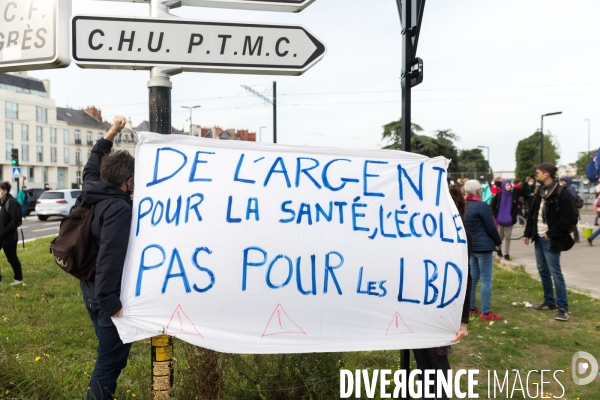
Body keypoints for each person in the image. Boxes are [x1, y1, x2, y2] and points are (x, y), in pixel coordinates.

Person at [79, 116, 135, 399]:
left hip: (88, 290)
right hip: (103, 296)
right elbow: (110, 258)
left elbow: (93, 160)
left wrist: (112, 131)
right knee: (109, 362)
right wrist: (112, 304)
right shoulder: (118, 208)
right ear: (129, 181)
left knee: (106, 356)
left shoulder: (91, 189)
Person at [412, 185, 471, 400]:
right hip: (420, 307)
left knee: (435, 362)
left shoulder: (461, 237)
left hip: (439, 308)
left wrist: (463, 319)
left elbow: (467, 277)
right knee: (423, 363)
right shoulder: (418, 232)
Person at [523, 163, 575, 322]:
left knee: (555, 273)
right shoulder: (541, 191)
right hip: (538, 238)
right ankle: (549, 302)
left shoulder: (561, 192)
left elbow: (569, 219)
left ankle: (562, 308)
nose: (536, 175)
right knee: (543, 270)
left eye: (538, 173)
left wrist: (551, 234)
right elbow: (533, 213)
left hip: (550, 239)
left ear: (546, 174)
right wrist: (528, 233)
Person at [464, 179, 503, 321]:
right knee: (487, 278)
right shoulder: (482, 206)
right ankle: (486, 312)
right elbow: (491, 227)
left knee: (473, 278)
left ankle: (471, 307)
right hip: (484, 247)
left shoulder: (464, 205)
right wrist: (498, 242)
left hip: (471, 247)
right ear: (478, 191)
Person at [0, 181, 23, 285]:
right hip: (1, 236)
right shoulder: (2, 203)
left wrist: (4, 232)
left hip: (9, 236)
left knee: (11, 257)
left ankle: (18, 279)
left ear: (5, 191)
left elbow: (16, 221)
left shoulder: (11, 202)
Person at [490, 180, 519, 260]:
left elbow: (516, 207)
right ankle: (499, 250)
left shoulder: (513, 195)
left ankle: (506, 253)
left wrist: (513, 217)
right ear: (503, 186)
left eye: (509, 185)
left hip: (510, 220)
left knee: (508, 237)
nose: (509, 186)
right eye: (507, 185)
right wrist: (496, 217)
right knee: (500, 237)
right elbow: (493, 206)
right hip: (500, 220)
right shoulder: (499, 195)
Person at [559, 176, 580, 243]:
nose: (562, 182)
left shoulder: (570, 188)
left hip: (571, 208)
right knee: (568, 223)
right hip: (566, 208)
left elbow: (572, 198)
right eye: (562, 181)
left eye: (564, 181)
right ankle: (571, 238)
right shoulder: (564, 188)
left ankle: (576, 238)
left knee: (572, 223)